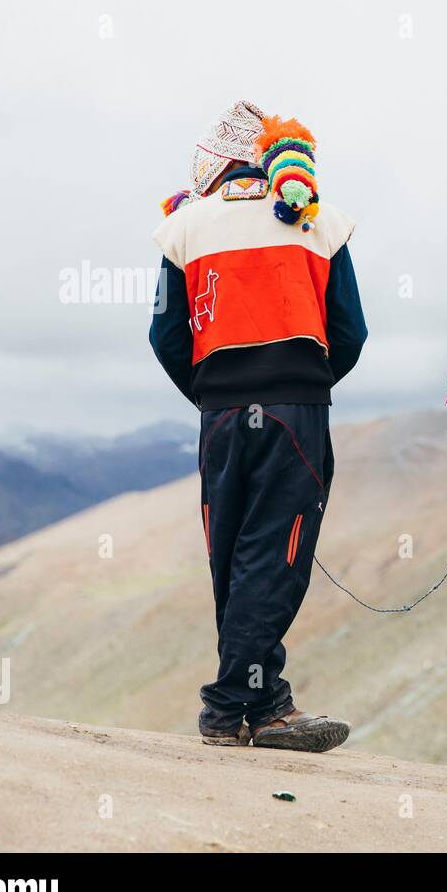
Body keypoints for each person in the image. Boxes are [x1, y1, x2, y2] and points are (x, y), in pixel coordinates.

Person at [149, 100, 366, 752]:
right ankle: (228, 708)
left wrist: (215, 393)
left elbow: (165, 335)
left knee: (233, 554)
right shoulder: (318, 221)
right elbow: (350, 331)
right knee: (276, 555)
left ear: (214, 162)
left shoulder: (184, 229)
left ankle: (267, 705)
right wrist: (304, 382)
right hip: (295, 412)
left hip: (219, 416)